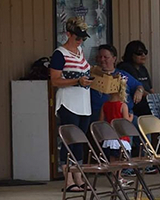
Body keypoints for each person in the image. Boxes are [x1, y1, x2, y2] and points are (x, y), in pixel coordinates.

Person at [50, 17, 93, 193]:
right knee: (69, 141)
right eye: (77, 38)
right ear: (68, 34)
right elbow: (55, 80)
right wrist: (77, 80)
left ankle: (79, 176)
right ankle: (68, 180)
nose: (80, 41)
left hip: (83, 102)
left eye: (82, 38)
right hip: (68, 102)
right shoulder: (60, 54)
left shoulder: (80, 51)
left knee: (79, 141)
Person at [90, 44, 145, 123]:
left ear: (114, 59)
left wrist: (139, 91)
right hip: (102, 113)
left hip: (124, 112)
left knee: (144, 127)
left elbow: (138, 85)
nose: (102, 59)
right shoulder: (92, 75)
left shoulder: (122, 75)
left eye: (106, 57)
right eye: (99, 57)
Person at [99, 75, 134, 186]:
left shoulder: (105, 105)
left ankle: (115, 178)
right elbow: (125, 121)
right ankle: (119, 177)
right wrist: (131, 117)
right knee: (121, 159)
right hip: (121, 137)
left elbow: (101, 121)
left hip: (110, 137)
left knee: (113, 160)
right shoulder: (122, 105)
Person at [117, 40, 154, 116]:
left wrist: (155, 99)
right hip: (133, 105)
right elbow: (134, 89)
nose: (143, 55)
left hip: (147, 102)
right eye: (139, 53)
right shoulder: (125, 68)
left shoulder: (143, 69)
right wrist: (152, 98)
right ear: (131, 54)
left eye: (145, 52)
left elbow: (151, 89)